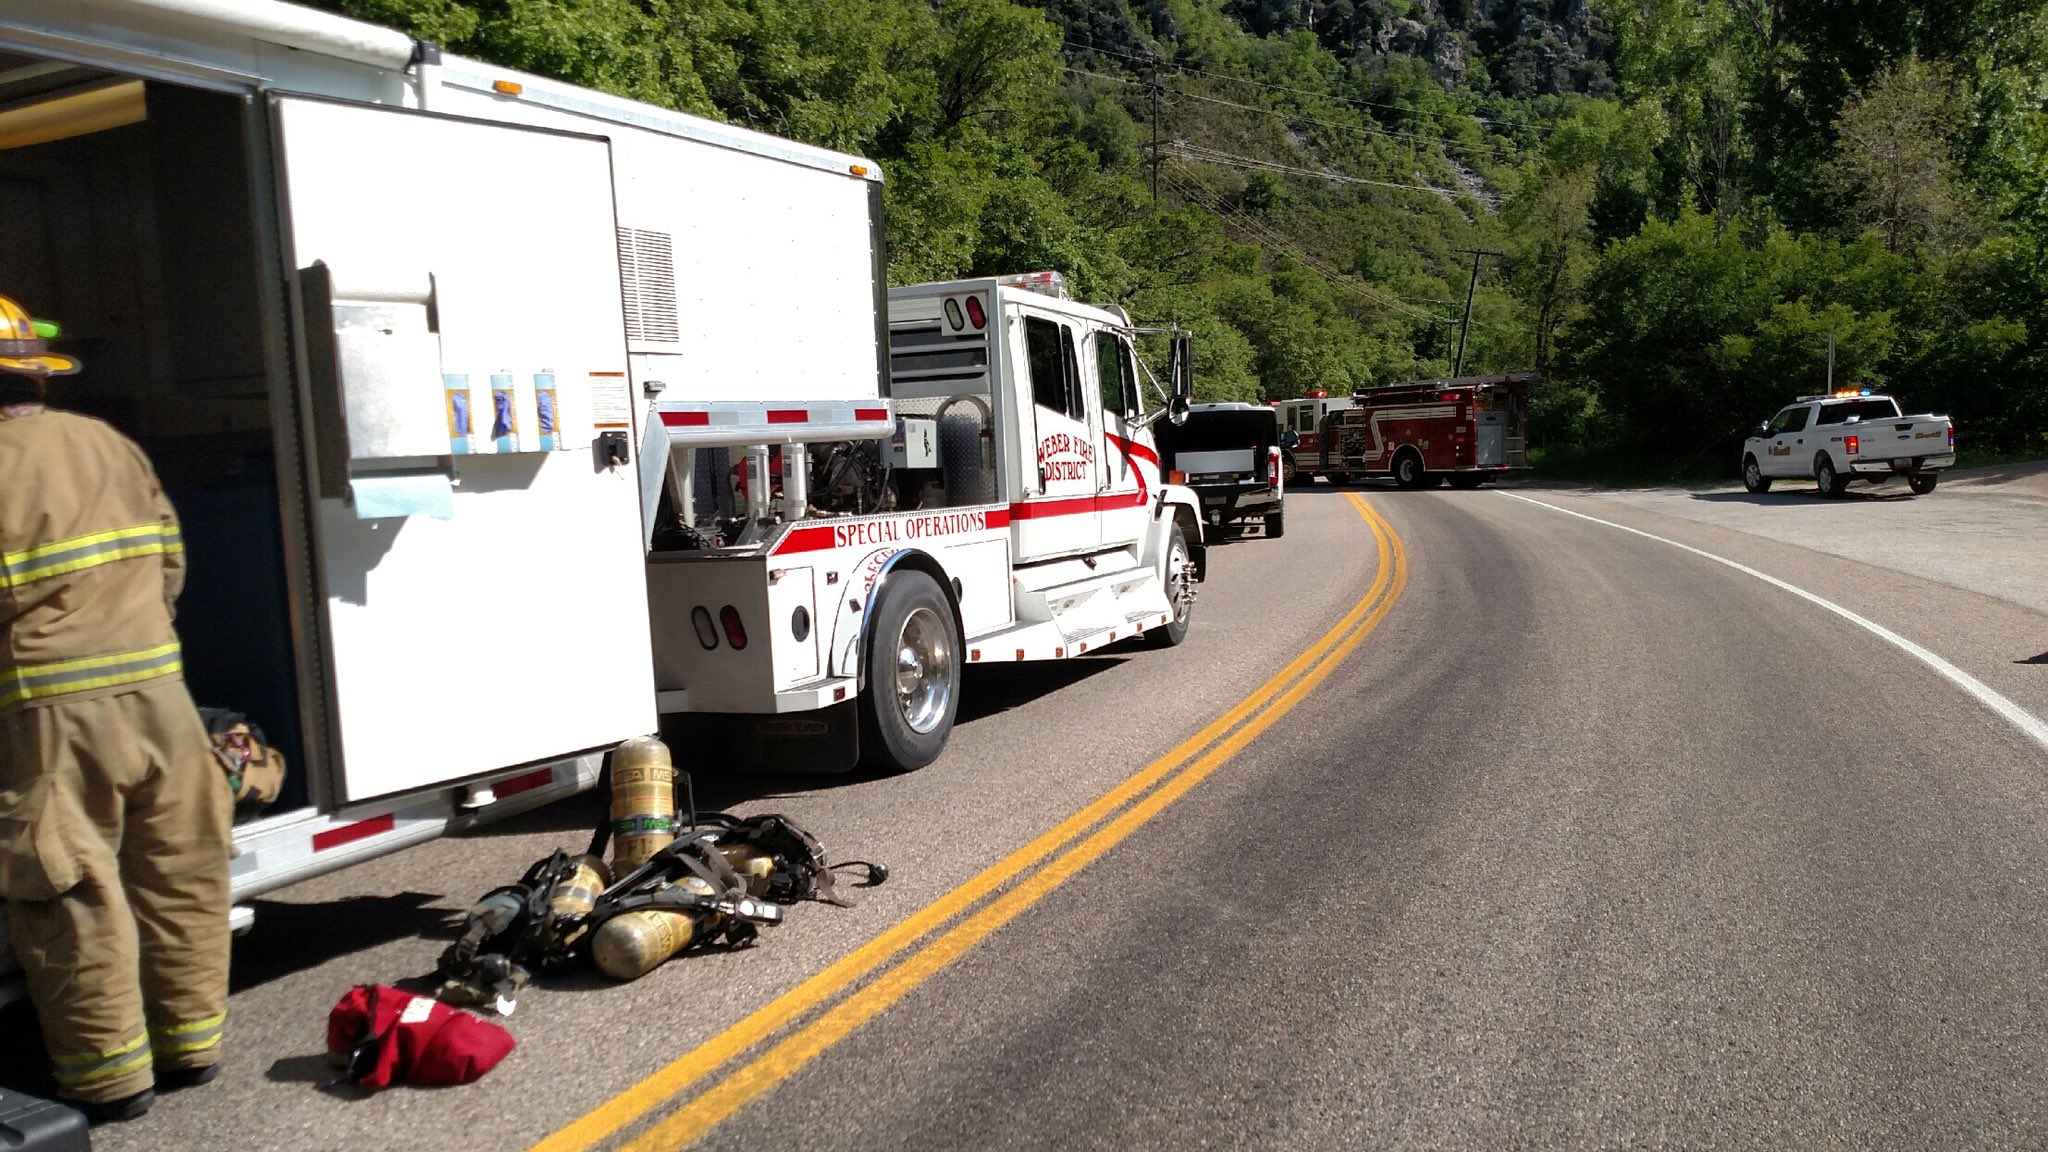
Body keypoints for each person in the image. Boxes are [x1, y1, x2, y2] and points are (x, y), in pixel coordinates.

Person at [0, 293, 230, 1125]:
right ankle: (193, 1046)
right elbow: (169, 564)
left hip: (49, 716)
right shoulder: (109, 444)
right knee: (180, 873)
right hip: (162, 699)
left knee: (72, 893)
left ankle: (109, 1080)